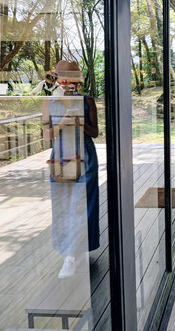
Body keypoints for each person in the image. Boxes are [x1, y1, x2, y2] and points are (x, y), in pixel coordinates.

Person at [44, 60, 100, 279]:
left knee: (82, 206)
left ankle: (72, 257)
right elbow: (46, 135)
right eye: (64, 78)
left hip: (84, 154)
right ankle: (70, 252)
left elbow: (94, 132)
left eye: (73, 79)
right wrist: (60, 125)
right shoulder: (50, 101)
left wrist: (78, 123)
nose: (69, 83)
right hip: (60, 154)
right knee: (63, 206)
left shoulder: (87, 101)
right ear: (58, 79)